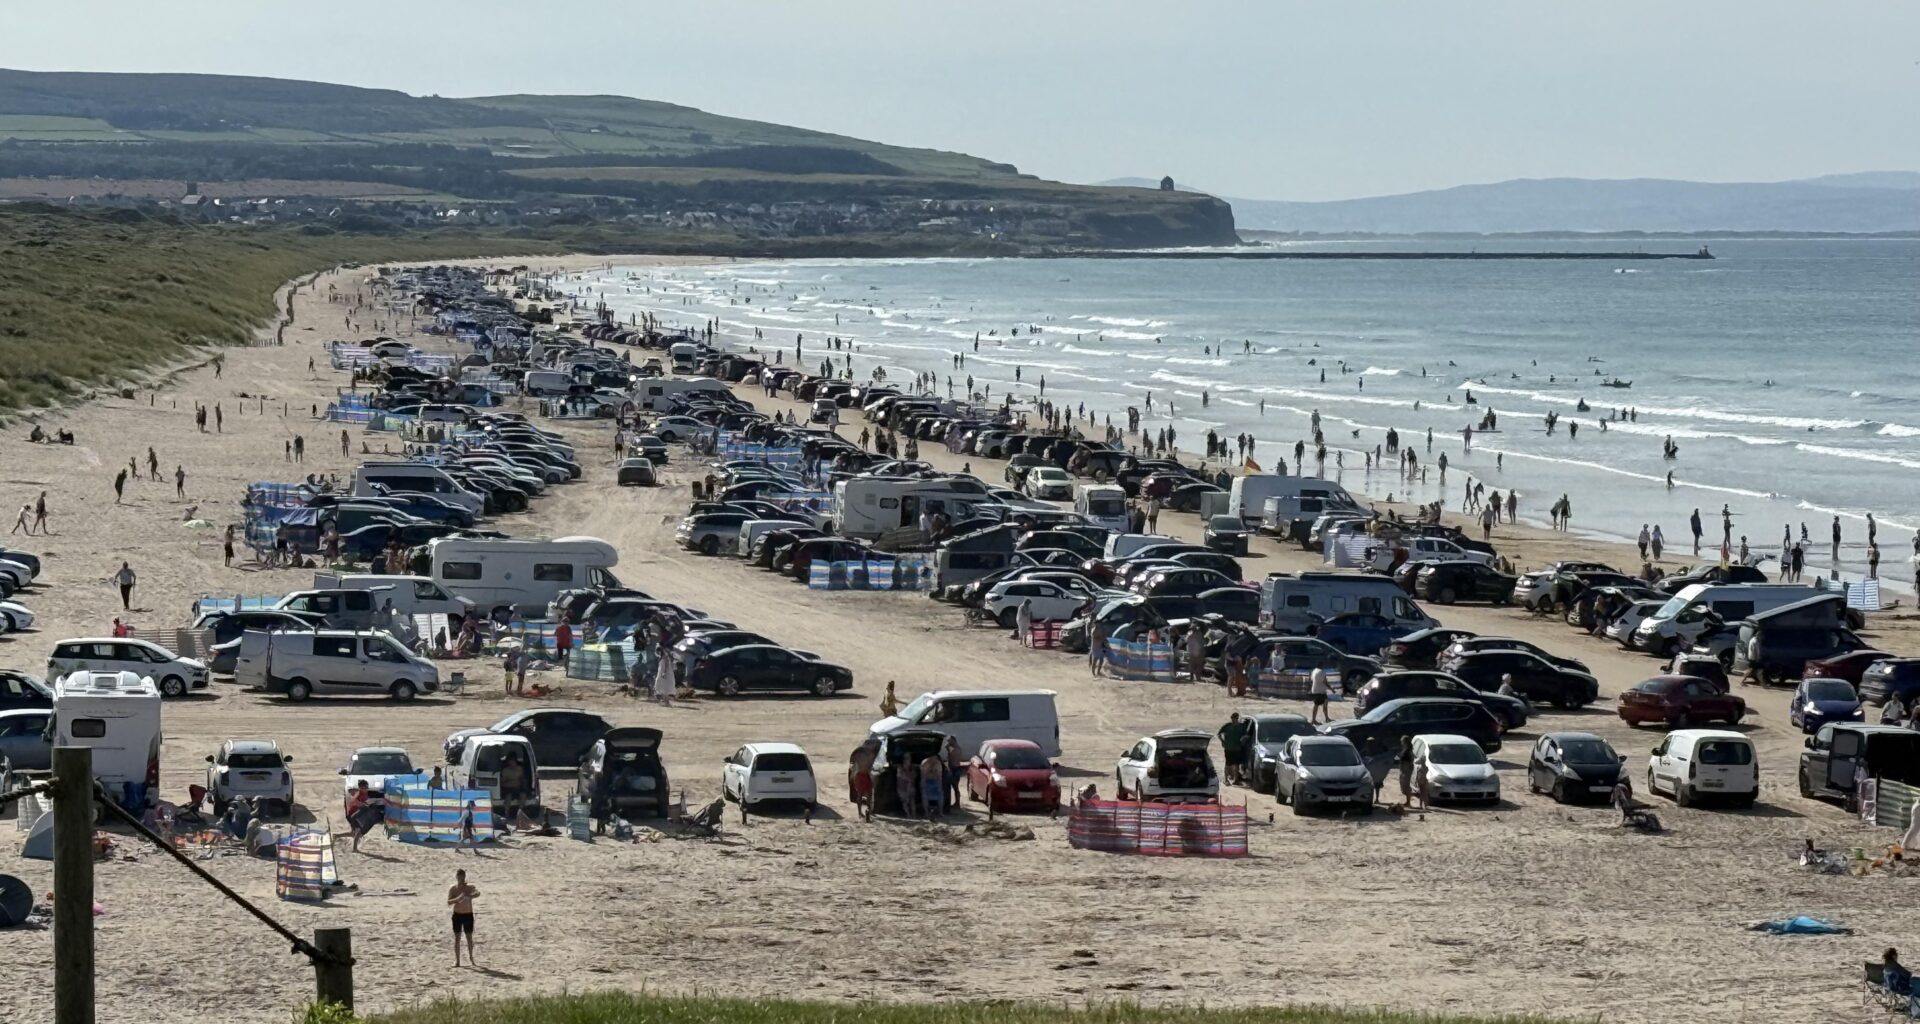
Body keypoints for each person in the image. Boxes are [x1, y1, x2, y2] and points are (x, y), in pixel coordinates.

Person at [448, 869, 479, 966]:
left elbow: (477, 893)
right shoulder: (453, 888)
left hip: (468, 914)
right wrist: (458, 899)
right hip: (457, 915)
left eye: (463, 877)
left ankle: (471, 958)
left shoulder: (469, 888)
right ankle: (457, 961)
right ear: (456, 877)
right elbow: (449, 902)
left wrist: (469, 895)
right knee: (457, 938)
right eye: (459, 877)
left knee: (469, 938)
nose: (461, 879)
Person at [1217, 713, 1251, 787]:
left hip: (1237, 748)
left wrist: (1243, 740)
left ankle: (1236, 780)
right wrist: (1223, 741)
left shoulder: (1241, 727)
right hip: (1228, 748)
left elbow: (1246, 735)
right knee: (1228, 764)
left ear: (1237, 718)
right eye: (1232, 718)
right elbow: (1219, 734)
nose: (1233, 720)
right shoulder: (1227, 726)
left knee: (1236, 765)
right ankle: (1226, 779)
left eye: (1235, 718)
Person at [1395, 736, 1415, 809]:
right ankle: (1407, 801)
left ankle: (1408, 802)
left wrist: (1407, 768)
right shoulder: (1405, 749)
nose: (1401, 742)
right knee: (1403, 785)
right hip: (1403, 768)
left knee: (1406, 785)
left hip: (1406, 769)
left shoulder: (1408, 750)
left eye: (1402, 741)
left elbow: (1411, 760)